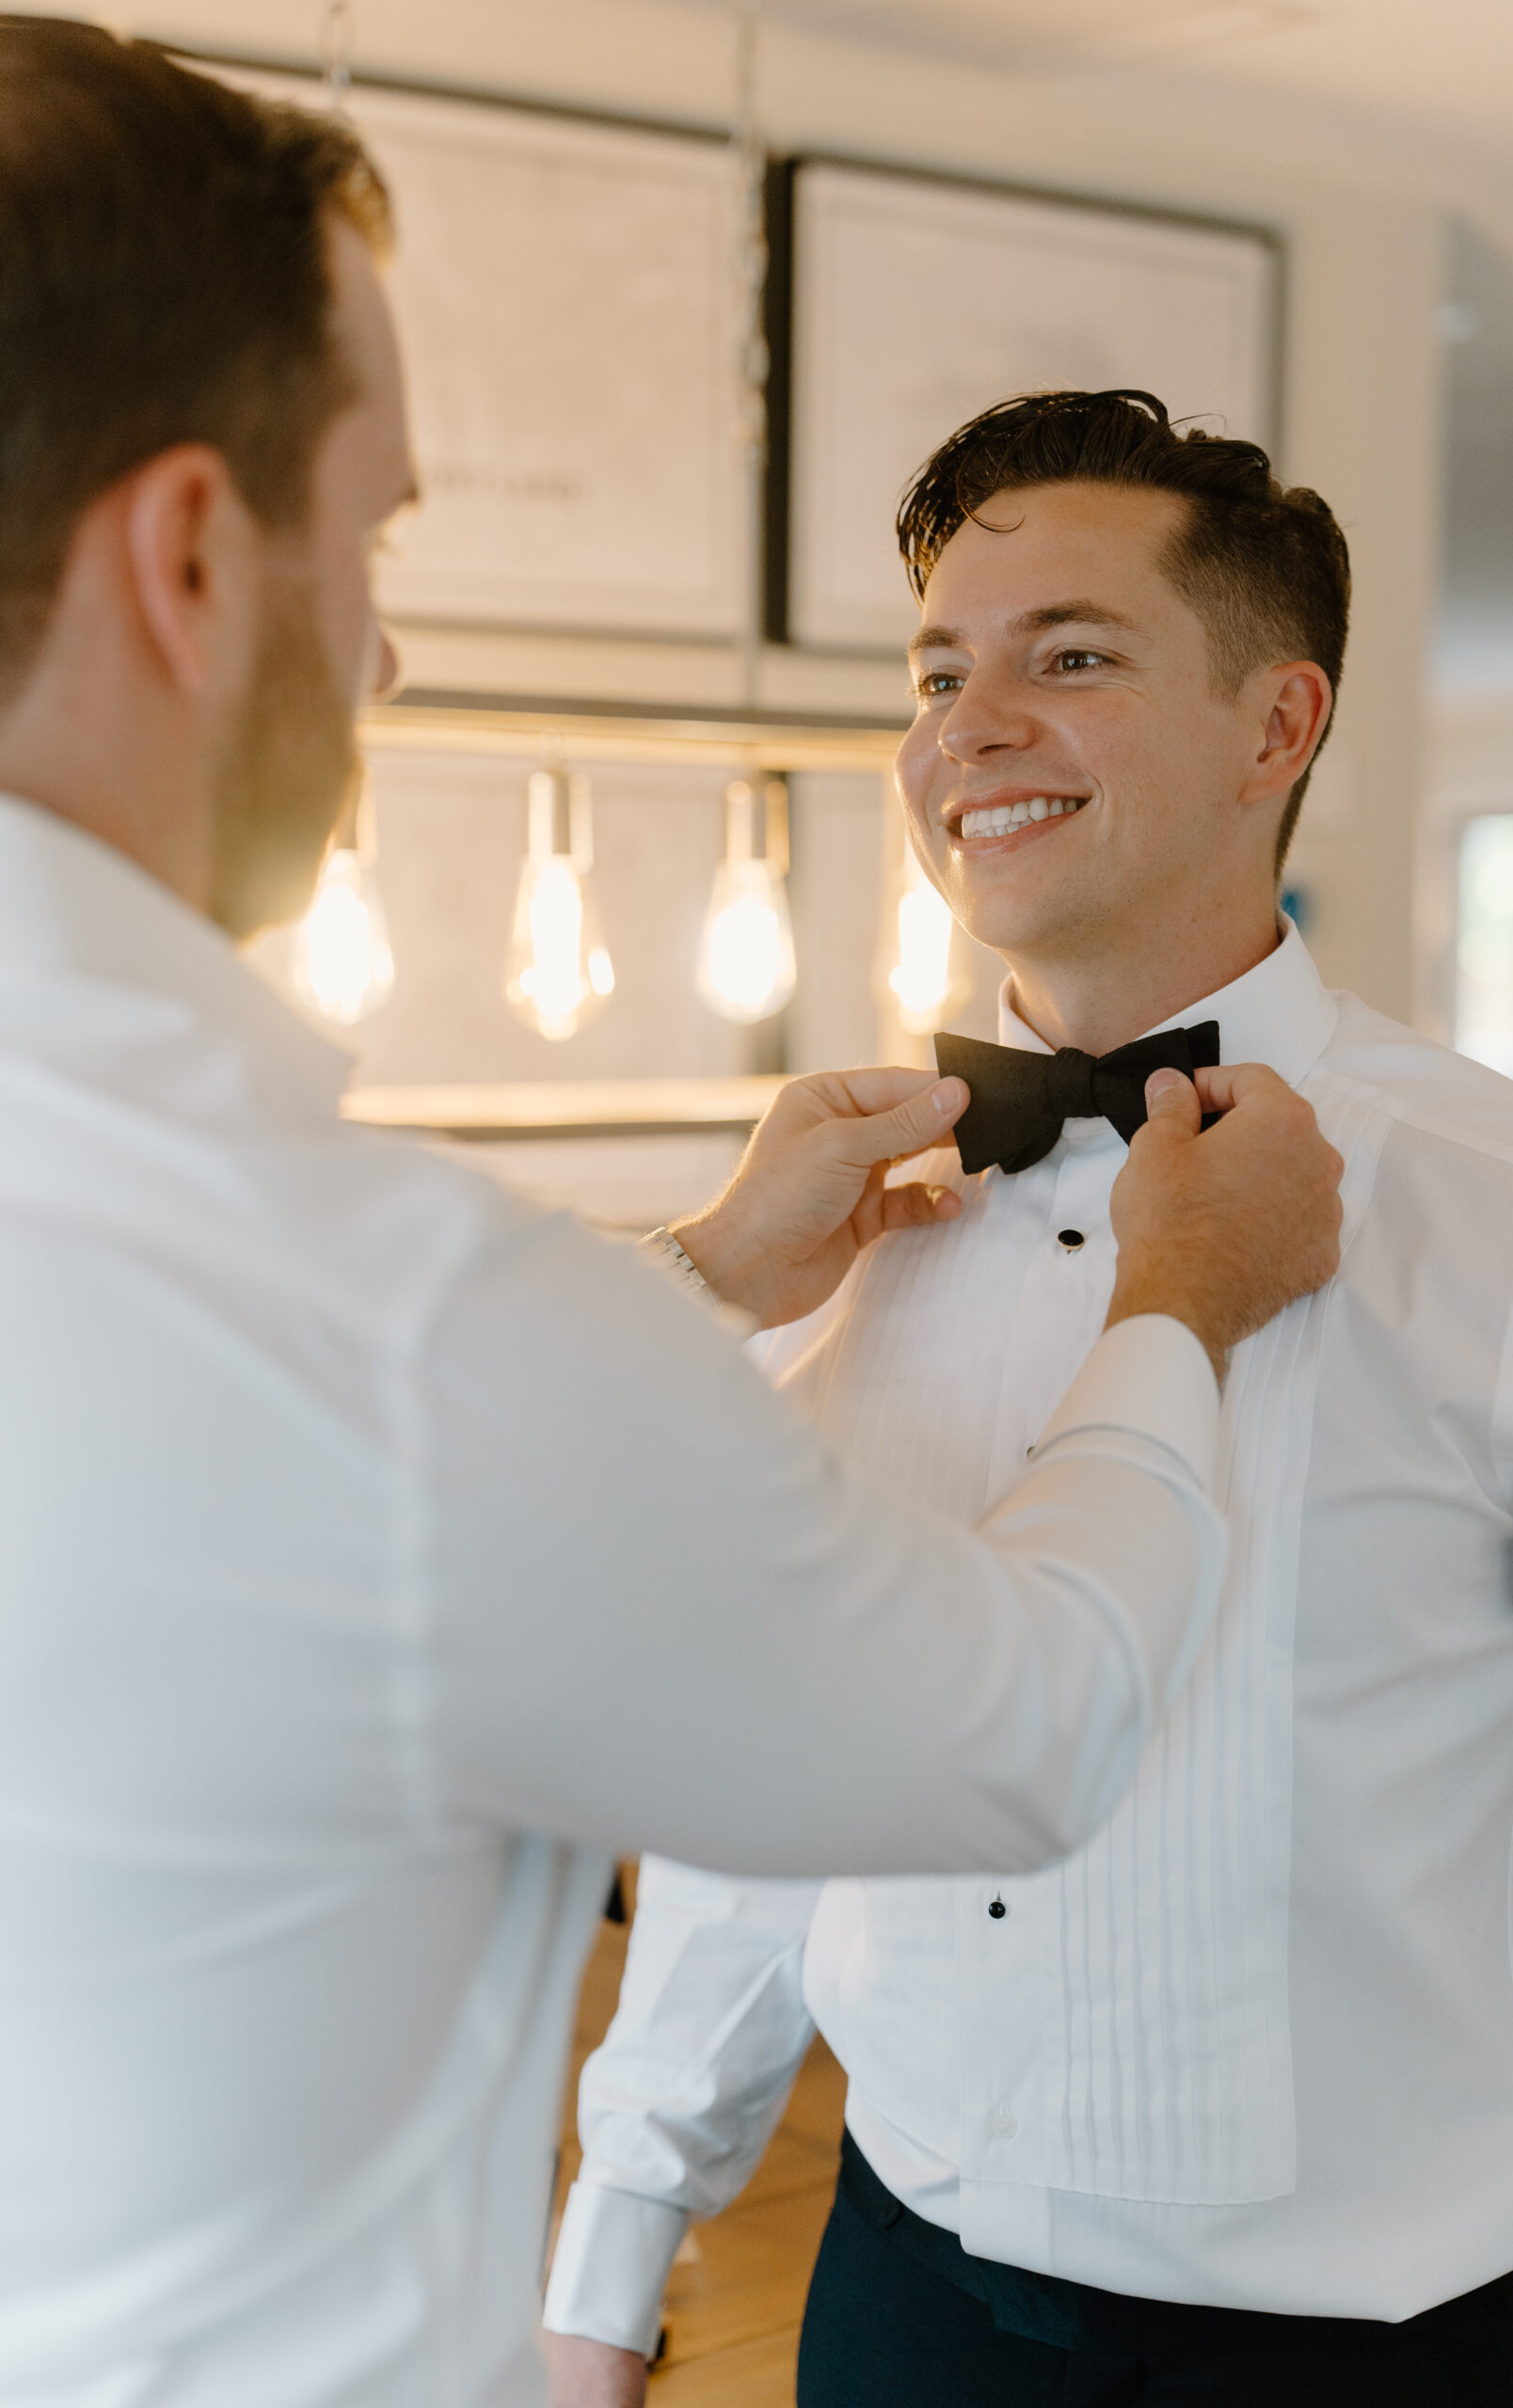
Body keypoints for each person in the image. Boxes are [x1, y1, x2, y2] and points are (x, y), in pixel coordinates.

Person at [0, 32, 1343, 2408]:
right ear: (196, 555)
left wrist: (702, 1285)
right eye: (378, 530)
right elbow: (980, 1731)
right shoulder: (413, 1328)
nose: (388, 648)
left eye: (1067, 656)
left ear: (1277, 723)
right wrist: (1173, 1312)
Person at [543, 390, 1513, 2407]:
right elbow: (764, 1792)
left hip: (1377, 2363)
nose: (968, 728)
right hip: (892, 2309)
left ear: (1275, 726)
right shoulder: (825, 1218)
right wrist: (607, 2267)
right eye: (940, 670)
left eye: (1071, 657)